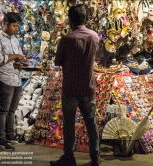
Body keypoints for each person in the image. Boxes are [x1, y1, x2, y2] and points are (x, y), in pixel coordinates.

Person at [50, 4, 100, 166]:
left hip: (71, 88)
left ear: (70, 20)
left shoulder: (67, 39)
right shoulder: (94, 36)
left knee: (69, 123)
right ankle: (95, 156)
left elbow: (57, 61)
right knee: (91, 122)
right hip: (88, 87)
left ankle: (69, 157)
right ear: (85, 19)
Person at [0, 12, 28, 151]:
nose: (16, 29)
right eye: (14, 26)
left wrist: (22, 60)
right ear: (5, 24)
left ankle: (10, 136)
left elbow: (19, 56)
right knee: (3, 110)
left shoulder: (15, 39)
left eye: (17, 26)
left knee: (12, 110)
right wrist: (16, 56)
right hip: (4, 78)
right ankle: (0, 140)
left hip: (16, 78)